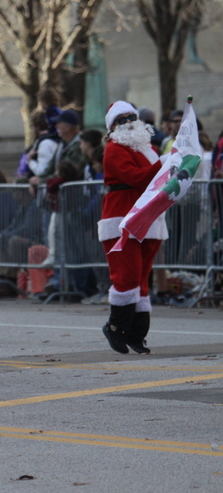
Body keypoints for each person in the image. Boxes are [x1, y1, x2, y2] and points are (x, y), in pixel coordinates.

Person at [98, 101, 165, 355]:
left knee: (142, 277)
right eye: (121, 119)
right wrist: (165, 165)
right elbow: (136, 177)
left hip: (148, 218)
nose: (128, 122)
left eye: (131, 117)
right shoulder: (113, 149)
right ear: (112, 127)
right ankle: (115, 326)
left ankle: (136, 333)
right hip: (121, 218)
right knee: (126, 275)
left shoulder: (150, 149)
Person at [30, 109, 85, 186]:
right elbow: (50, 168)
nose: (56, 126)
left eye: (59, 123)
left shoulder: (80, 145)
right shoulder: (61, 144)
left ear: (68, 127)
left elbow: (67, 173)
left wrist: (42, 181)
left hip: (74, 193)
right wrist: (37, 178)